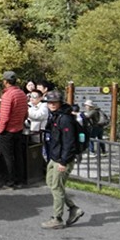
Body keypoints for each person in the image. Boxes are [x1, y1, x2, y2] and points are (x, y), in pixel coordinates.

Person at [41, 90, 83, 230]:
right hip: (55, 157)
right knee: (51, 183)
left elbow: (69, 142)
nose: (52, 104)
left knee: (57, 187)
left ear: (60, 103)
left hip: (62, 159)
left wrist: (64, 162)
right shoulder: (56, 116)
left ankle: (57, 218)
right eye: (49, 102)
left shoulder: (65, 119)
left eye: (55, 102)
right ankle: (73, 208)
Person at [0, 71, 28, 189]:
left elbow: (5, 117)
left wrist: (0, 130)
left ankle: (10, 181)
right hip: (19, 128)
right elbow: (25, 113)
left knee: (8, 157)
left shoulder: (7, 95)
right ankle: (20, 180)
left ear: (5, 81)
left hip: (8, 130)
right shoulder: (22, 93)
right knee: (18, 155)